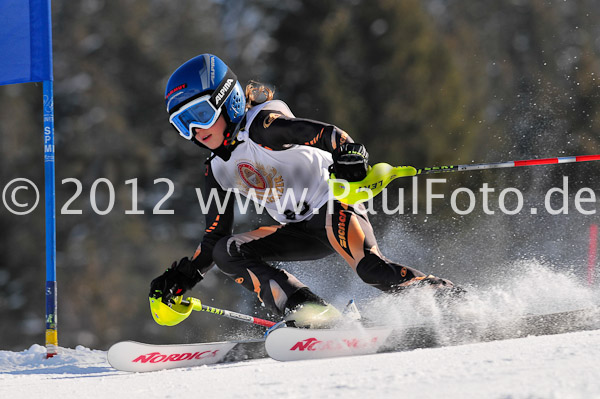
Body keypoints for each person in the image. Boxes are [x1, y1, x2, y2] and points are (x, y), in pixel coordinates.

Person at [149, 54, 459, 327]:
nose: (195, 131)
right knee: (227, 250)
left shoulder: (263, 127)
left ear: (227, 101)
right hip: (298, 229)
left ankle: (456, 302)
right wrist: (182, 277)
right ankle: (310, 312)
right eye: (182, 123)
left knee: (371, 270)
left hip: (332, 205)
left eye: (200, 115)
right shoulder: (216, 168)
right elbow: (215, 235)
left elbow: (326, 134)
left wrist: (348, 153)